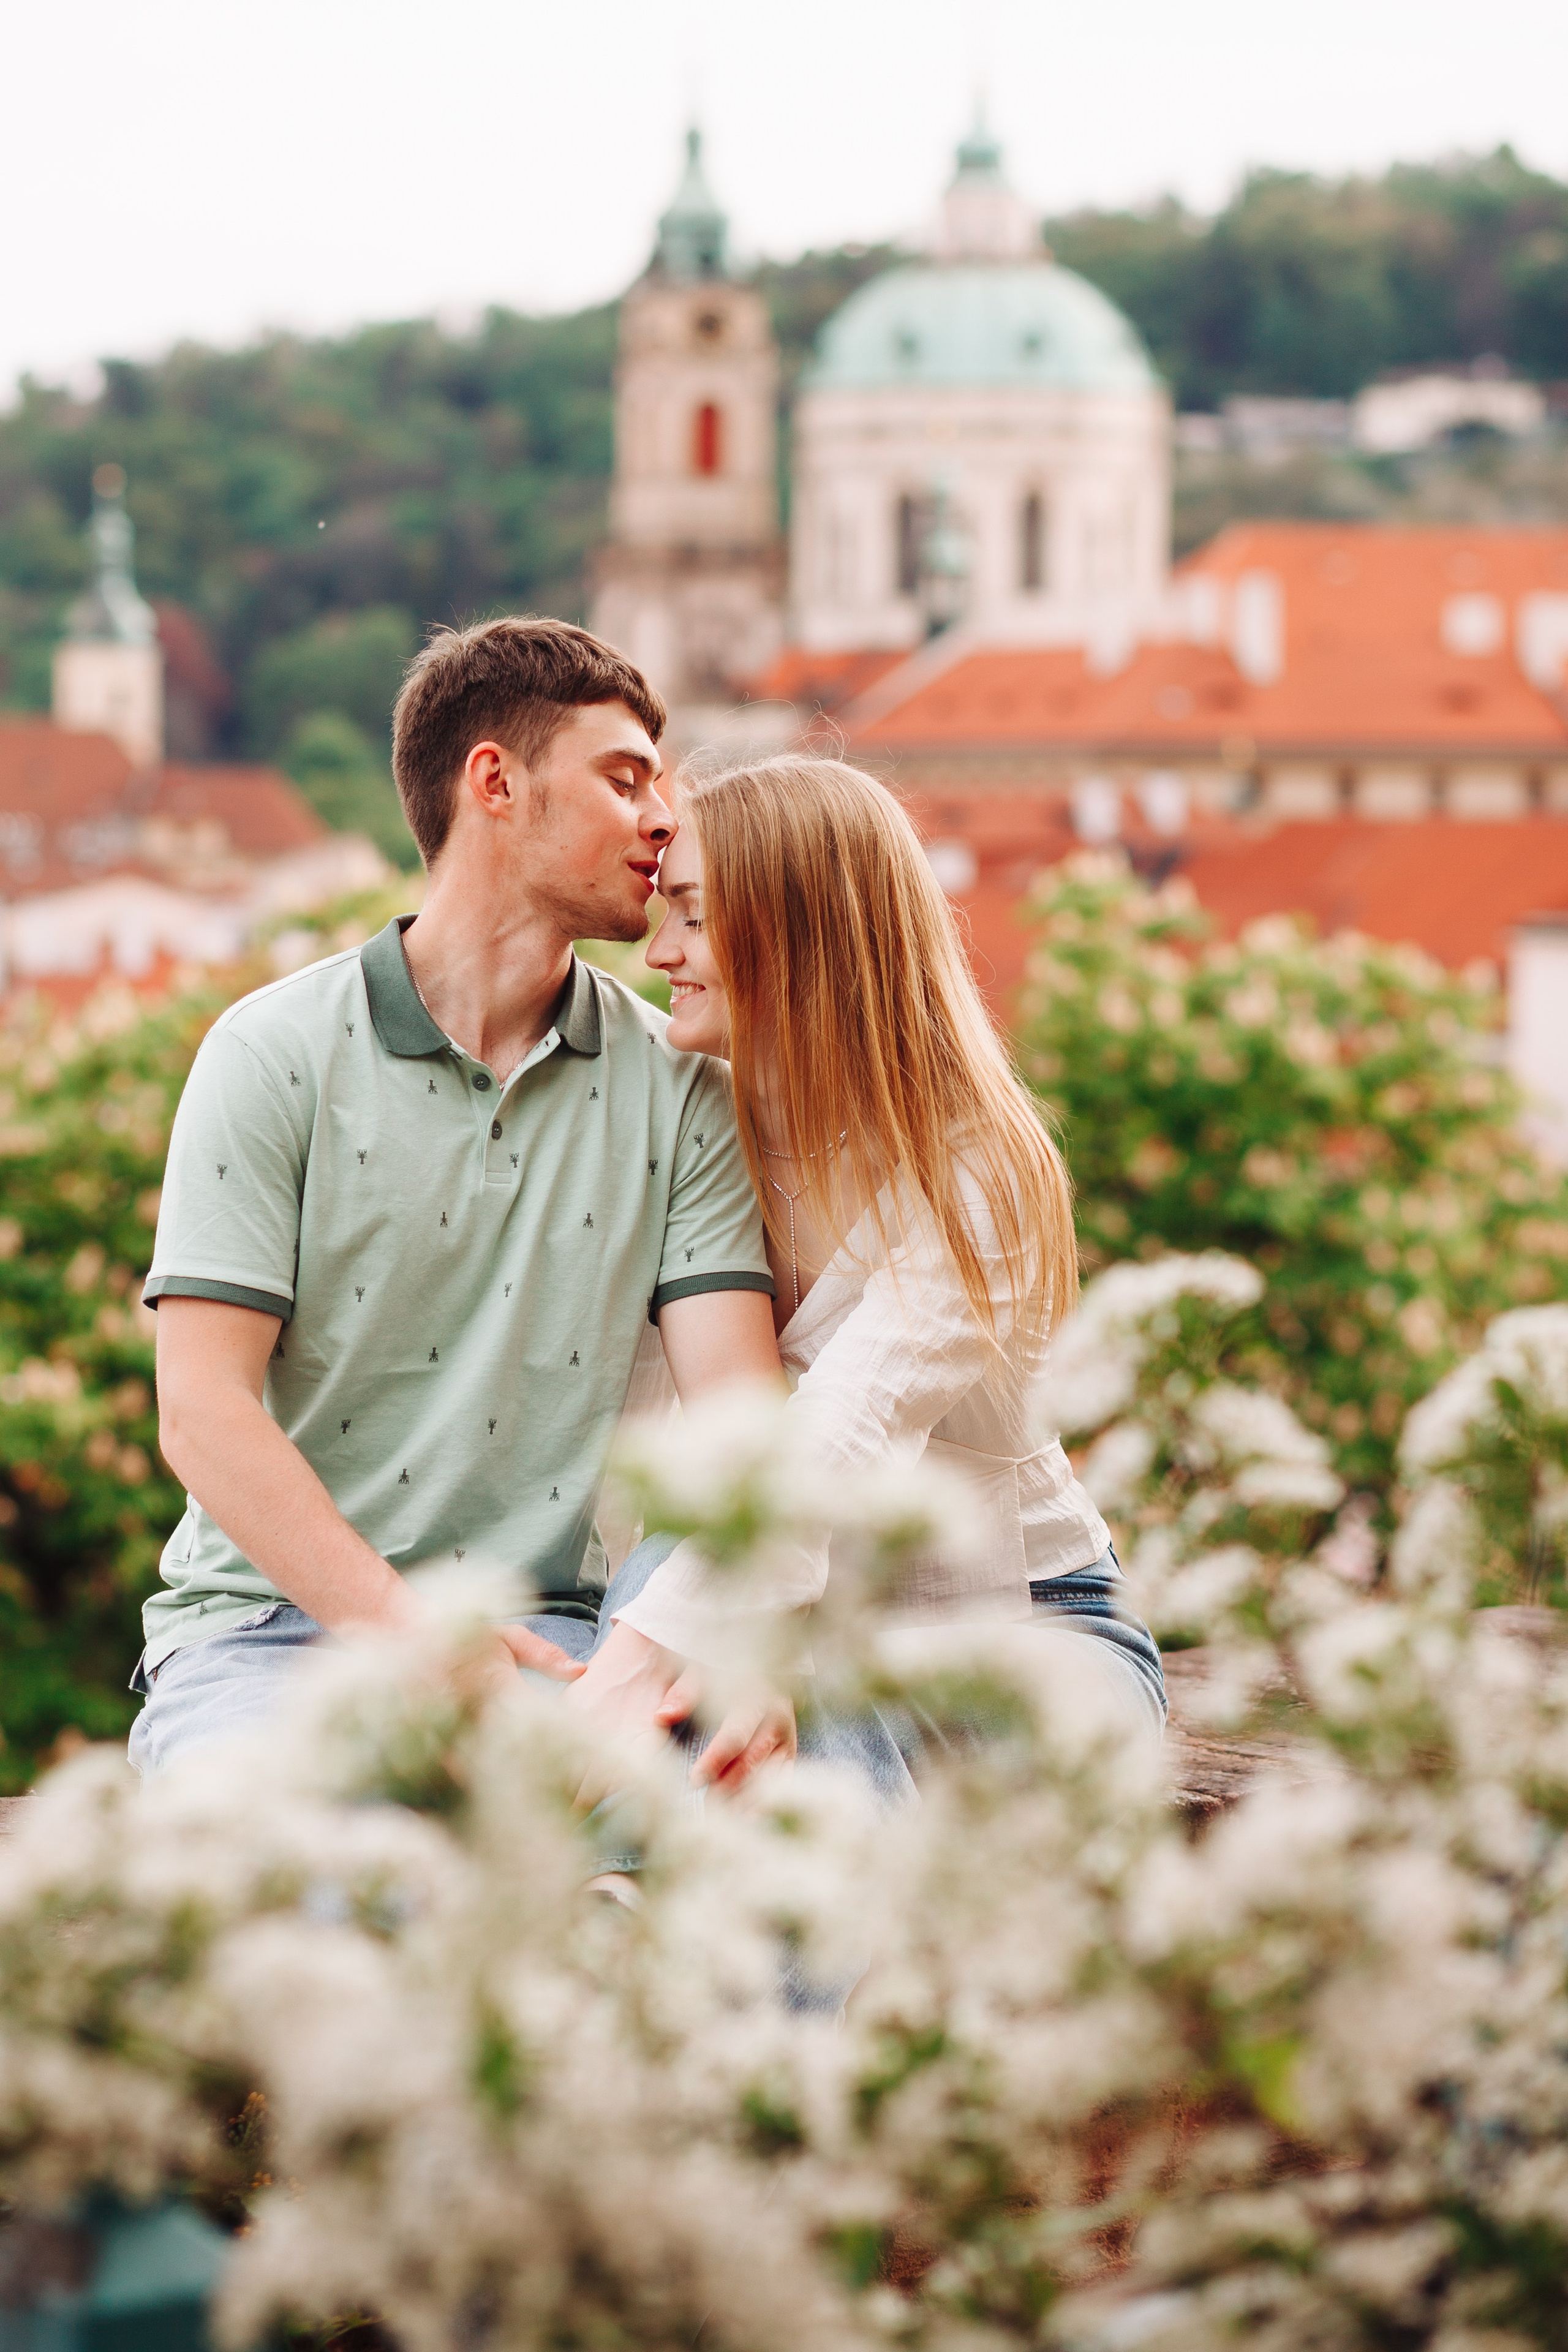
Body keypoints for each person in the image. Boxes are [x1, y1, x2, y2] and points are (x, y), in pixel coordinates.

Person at [127, 619, 784, 1779]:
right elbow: (203, 1415)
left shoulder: (682, 1089)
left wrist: (743, 1641)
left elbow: (740, 1430)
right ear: (495, 781)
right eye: (624, 779)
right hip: (268, 1638)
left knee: (706, 1887)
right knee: (299, 1904)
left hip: (553, 1642)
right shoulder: (270, 1052)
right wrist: (412, 1633)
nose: (664, 822)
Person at [557, 755, 1165, 1765]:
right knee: (725, 1633)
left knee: (812, 1707)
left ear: (806, 935)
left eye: (696, 917)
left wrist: (641, 1658)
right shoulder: (687, 1116)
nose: (659, 951)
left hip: (1025, 1619)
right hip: (775, 1602)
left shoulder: (974, 1168)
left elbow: (847, 1430)